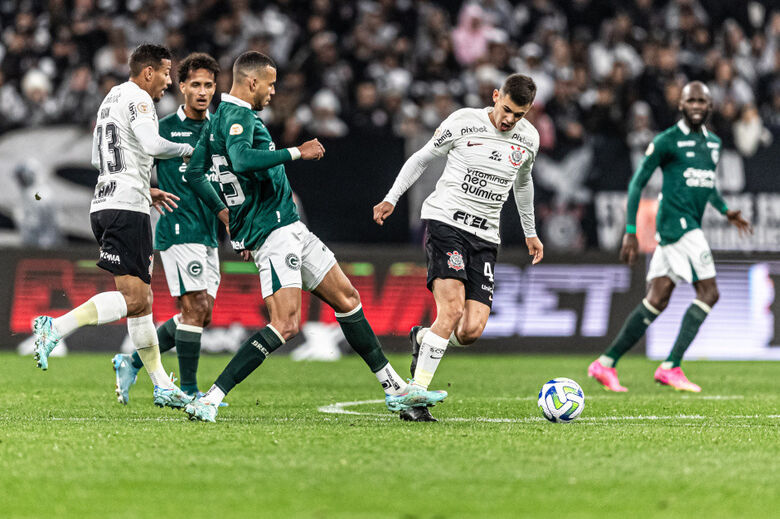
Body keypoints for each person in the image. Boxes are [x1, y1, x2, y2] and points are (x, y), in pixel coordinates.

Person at [180, 51, 447, 422]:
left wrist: (228, 216)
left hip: (288, 227)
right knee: (286, 324)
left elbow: (195, 174)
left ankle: (394, 390)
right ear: (252, 82)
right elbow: (241, 161)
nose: (273, 92)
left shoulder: (215, 120)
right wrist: (296, 152)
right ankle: (210, 397)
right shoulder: (238, 115)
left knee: (348, 298)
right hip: (273, 233)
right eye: (270, 84)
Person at [31, 44, 195, 410]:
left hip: (107, 201)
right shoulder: (139, 99)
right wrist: (189, 150)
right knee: (136, 299)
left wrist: (141, 182)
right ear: (148, 71)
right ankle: (54, 327)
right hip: (126, 209)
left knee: (143, 303)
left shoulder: (111, 97)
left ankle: (159, 384)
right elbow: (151, 144)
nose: (170, 81)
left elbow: (96, 158)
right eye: (167, 73)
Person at [373, 73, 544, 422]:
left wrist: (531, 231)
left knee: (469, 331)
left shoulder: (529, 140)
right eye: (507, 109)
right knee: (449, 311)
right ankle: (415, 397)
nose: (510, 120)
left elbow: (523, 185)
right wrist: (392, 198)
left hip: (486, 239)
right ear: (496, 96)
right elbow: (421, 158)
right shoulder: (464, 122)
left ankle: (425, 339)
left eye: (520, 115)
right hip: (446, 224)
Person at [587, 81, 753, 393]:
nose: (696, 106)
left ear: (710, 106)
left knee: (657, 298)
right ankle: (671, 366)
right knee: (710, 292)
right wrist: (631, 231)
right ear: (680, 104)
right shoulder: (667, 140)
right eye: (691, 101)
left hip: (689, 223)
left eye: (702, 101)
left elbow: (707, 183)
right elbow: (638, 183)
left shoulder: (714, 144)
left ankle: (605, 363)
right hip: (677, 225)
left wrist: (725, 210)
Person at [111, 52, 224, 405]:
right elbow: (129, 165)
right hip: (177, 228)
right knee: (196, 306)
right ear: (182, 86)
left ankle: (130, 362)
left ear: (215, 88)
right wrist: (146, 191)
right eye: (195, 85)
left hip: (208, 232)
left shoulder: (219, 129)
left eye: (208, 85)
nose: (202, 92)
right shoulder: (161, 129)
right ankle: (188, 391)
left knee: (200, 314)